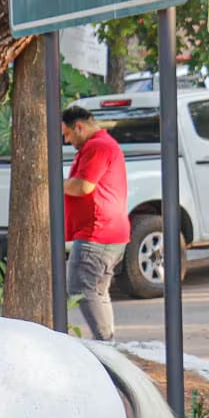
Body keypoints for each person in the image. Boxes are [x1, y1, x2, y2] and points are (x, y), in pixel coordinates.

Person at [62, 105, 130, 341]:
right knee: (98, 291)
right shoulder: (101, 145)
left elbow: (83, 186)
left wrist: (53, 183)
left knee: (82, 288)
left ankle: (105, 344)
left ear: (78, 126)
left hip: (96, 233)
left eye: (68, 134)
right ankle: (108, 341)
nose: (67, 140)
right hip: (109, 231)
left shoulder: (97, 146)